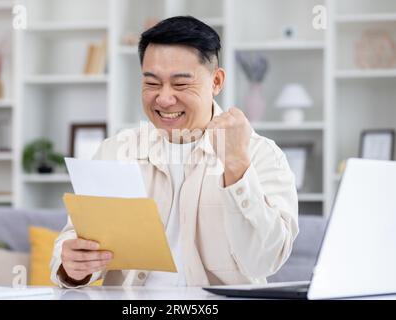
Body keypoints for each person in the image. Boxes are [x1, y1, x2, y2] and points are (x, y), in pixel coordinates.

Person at [50, 16, 298, 287]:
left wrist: (237, 167)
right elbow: (75, 237)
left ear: (216, 81)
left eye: (180, 84)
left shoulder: (261, 154)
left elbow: (264, 261)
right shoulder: (116, 151)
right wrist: (73, 266)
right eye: (152, 83)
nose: (164, 98)